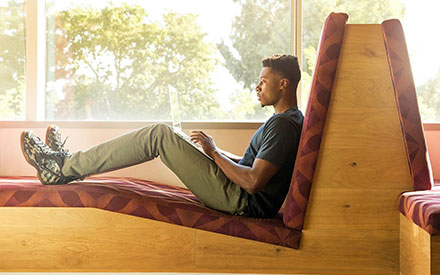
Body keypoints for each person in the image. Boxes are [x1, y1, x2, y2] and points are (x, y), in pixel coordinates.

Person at [20, 54, 304, 218]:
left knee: (158, 134)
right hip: (238, 194)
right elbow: (249, 165)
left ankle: (64, 168)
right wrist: (210, 150)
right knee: (166, 135)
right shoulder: (286, 122)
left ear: (283, 83)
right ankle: (68, 165)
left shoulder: (282, 126)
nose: (257, 87)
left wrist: (215, 153)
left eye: (263, 81)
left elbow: (253, 182)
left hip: (241, 202)